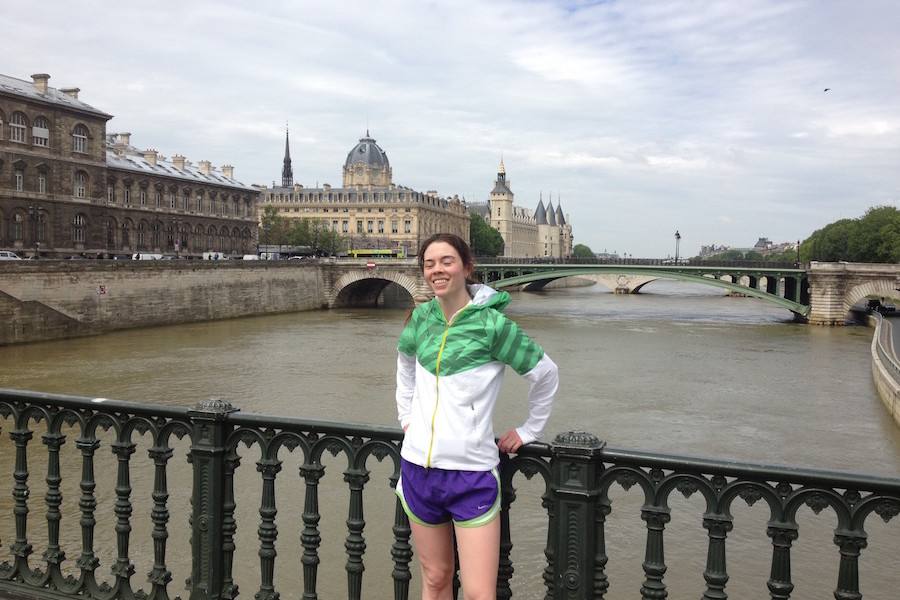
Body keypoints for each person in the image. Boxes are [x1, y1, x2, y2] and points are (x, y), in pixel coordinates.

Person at [395, 233, 559, 600]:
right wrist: (407, 416)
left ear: (467, 267)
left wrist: (530, 429)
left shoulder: (492, 326)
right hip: (417, 469)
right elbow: (405, 365)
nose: (437, 270)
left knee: (478, 594)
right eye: (429, 263)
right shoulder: (421, 318)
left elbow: (546, 374)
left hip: (471, 474)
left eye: (447, 261)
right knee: (435, 580)